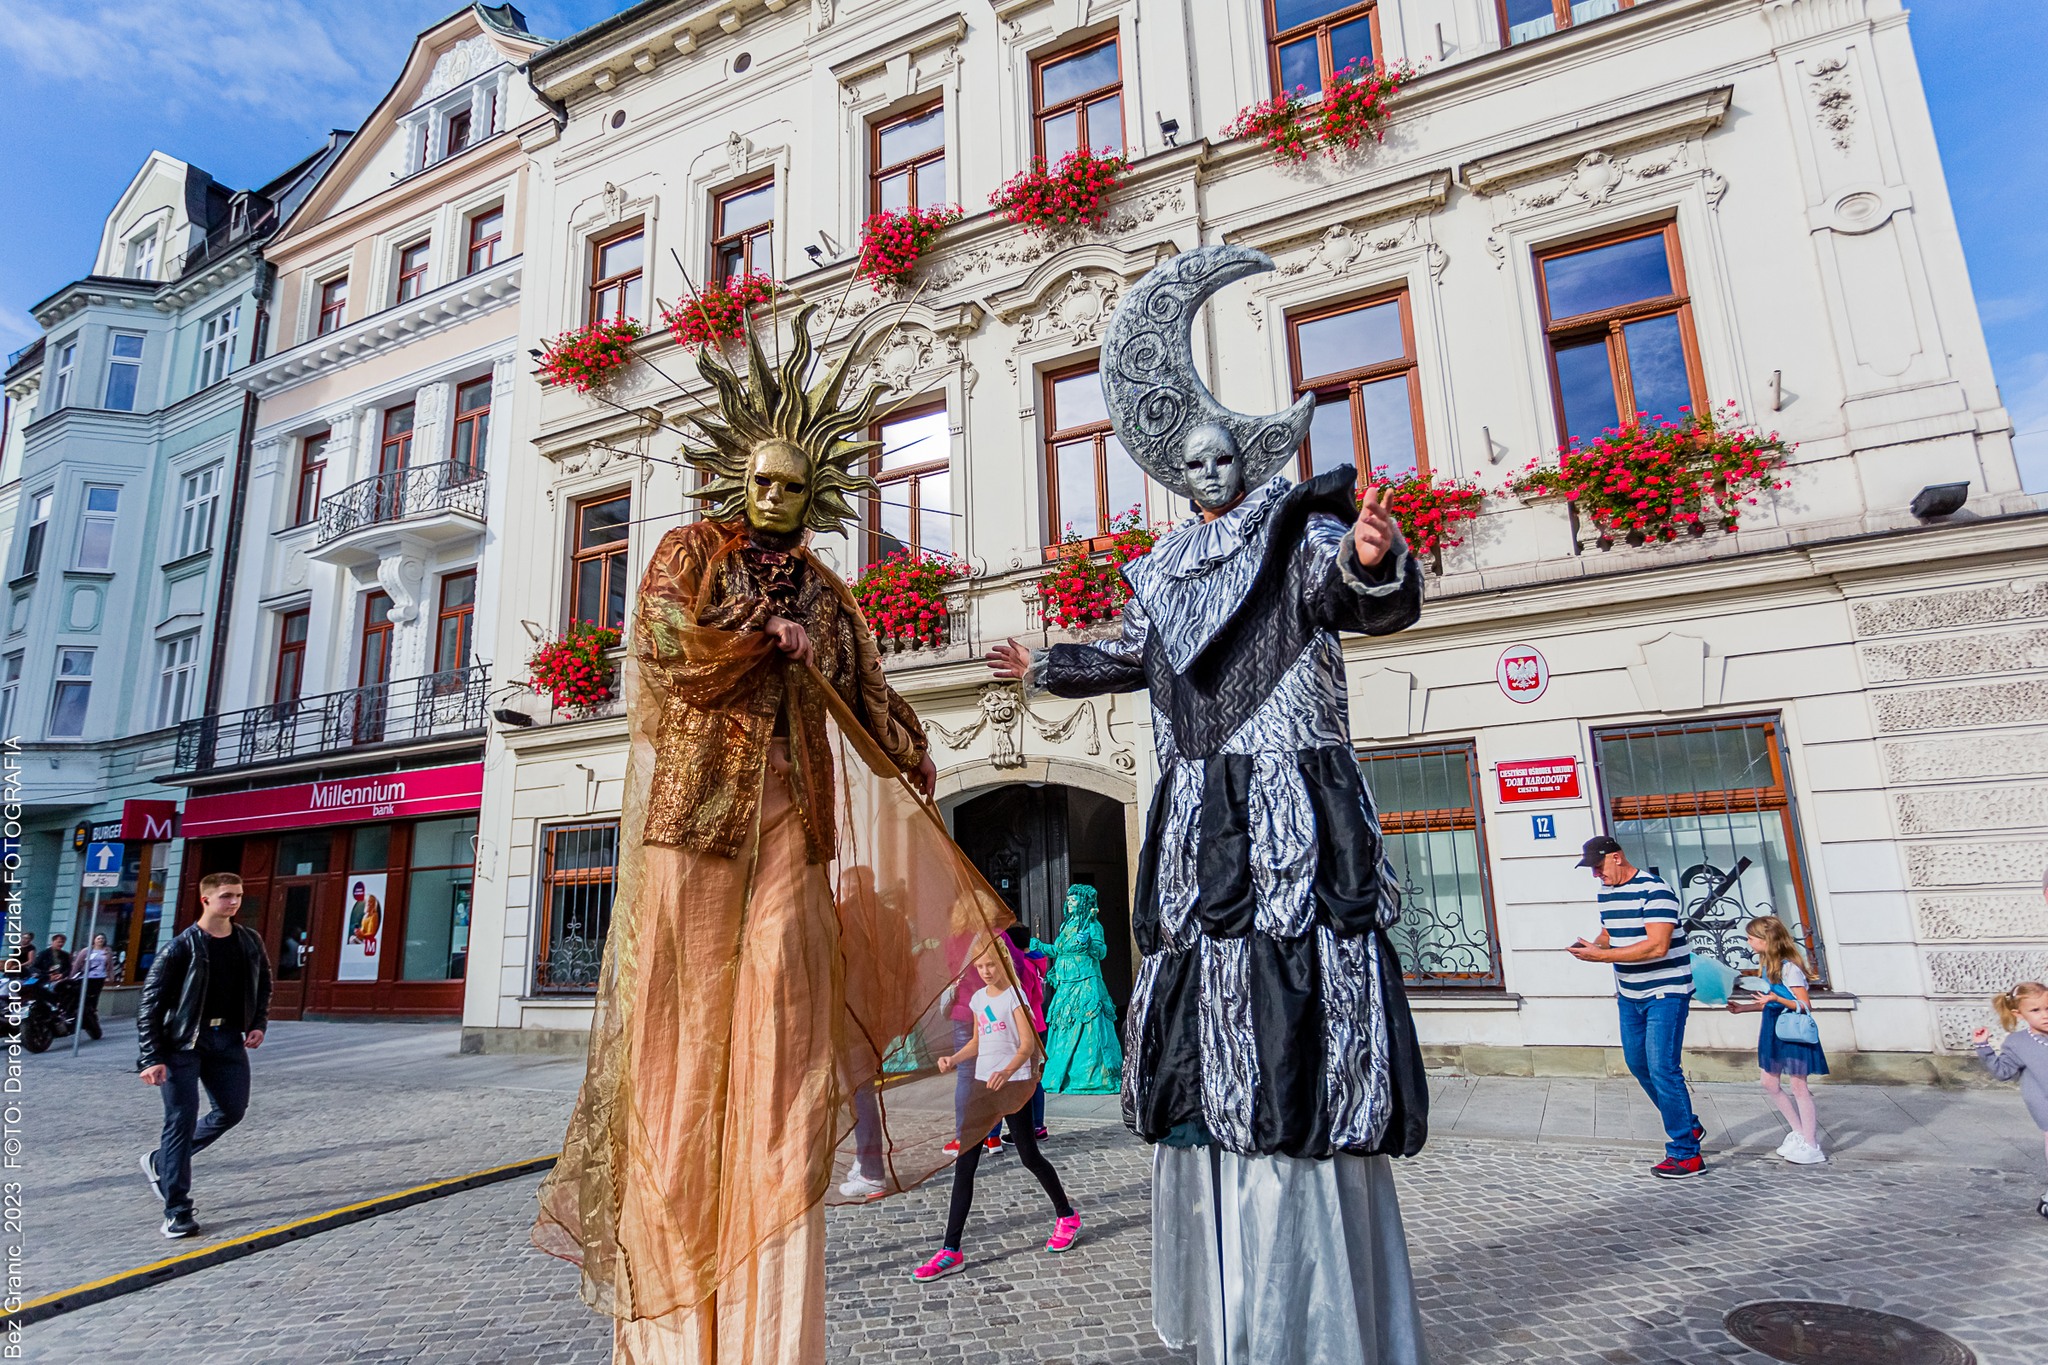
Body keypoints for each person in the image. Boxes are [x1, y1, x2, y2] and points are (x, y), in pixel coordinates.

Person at [533, 304, 1005, 1365]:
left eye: (794, 488)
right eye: (760, 482)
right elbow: (658, 638)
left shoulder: (832, 592)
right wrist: (755, 636)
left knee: (786, 1061)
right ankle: (670, 1315)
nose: (775, 501)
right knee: (681, 1049)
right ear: (734, 479)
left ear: (815, 493)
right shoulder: (692, 550)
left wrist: (911, 754)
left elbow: (868, 693)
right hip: (697, 829)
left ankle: (765, 1325)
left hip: (794, 834)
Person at [991, 245, 1432, 1364]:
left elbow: (1355, 600)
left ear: (1246, 457)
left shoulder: (1299, 536)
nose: (1202, 472)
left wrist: (1375, 557)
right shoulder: (1167, 566)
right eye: (1183, 461)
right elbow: (1130, 655)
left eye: (1216, 454)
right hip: (1198, 819)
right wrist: (1040, 664)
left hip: (1289, 806)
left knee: (1296, 1008)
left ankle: (1311, 1305)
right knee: (1211, 1006)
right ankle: (1233, 1293)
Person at [912, 934, 1079, 1282]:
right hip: (983, 1086)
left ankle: (1067, 1215)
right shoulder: (976, 999)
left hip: (1012, 1085)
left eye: (992, 964)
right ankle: (950, 1250)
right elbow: (977, 1040)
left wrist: (1007, 1070)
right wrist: (953, 1059)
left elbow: (1029, 1043)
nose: (986, 971)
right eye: (981, 966)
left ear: (1003, 962)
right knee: (965, 1166)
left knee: (1030, 1157)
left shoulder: (1014, 998)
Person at [136, 872, 272, 1239]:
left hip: (226, 1039)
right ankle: (177, 1210)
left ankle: (161, 1161)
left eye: (239, 896)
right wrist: (150, 1057)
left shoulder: (248, 940)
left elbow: (264, 983)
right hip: (182, 1044)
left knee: (232, 1109)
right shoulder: (181, 947)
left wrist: (257, 1021)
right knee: (180, 1119)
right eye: (227, 896)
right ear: (206, 900)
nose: (234, 903)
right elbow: (149, 1005)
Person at [1567, 834, 1705, 1178]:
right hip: (1630, 993)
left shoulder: (1656, 890)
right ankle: (1687, 1124)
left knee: (1663, 1068)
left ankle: (1687, 1154)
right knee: (1638, 1063)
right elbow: (1609, 933)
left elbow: (1657, 947)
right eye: (1591, 869)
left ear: (1617, 857)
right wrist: (1592, 945)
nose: (1596, 874)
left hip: (1666, 992)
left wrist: (1603, 956)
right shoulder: (1607, 892)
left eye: (1598, 867)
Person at [1726, 916, 1827, 1164]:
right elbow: (1767, 1003)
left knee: (1798, 1086)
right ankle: (1799, 1133)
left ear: (1766, 940)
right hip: (1773, 1029)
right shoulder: (1766, 966)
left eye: (1752, 938)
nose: (1748, 942)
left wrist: (1776, 1000)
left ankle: (1812, 1145)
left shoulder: (1789, 967)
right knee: (1769, 1083)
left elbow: (1804, 1004)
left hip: (1792, 1032)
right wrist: (1743, 1009)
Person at [1030, 885, 1123, 1095]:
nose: (1069, 903)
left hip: (1086, 983)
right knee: (1064, 1025)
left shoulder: (1093, 925)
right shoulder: (1067, 926)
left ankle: (1092, 1076)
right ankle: (1063, 1075)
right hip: (1066, 985)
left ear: (1083, 902)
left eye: (1074, 900)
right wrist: (1040, 946)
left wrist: (1089, 943)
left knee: (1088, 1026)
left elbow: (1101, 952)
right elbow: (1059, 951)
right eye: (1069, 900)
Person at [1972, 980, 2048, 1220]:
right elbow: (2003, 1072)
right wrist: (1983, 1047)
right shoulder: (2017, 1043)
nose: (2044, 1015)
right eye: (2035, 1011)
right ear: (2019, 1013)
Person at [76, 932, 112, 1041]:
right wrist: (72, 976)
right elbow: (78, 964)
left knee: (94, 996)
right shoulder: (86, 951)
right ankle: (84, 1014)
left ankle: (92, 1013)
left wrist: (110, 976)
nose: (100, 940)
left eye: (102, 939)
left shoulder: (107, 951)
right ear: (94, 940)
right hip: (86, 977)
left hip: (99, 977)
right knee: (84, 996)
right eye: (98, 938)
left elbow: (110, 965)